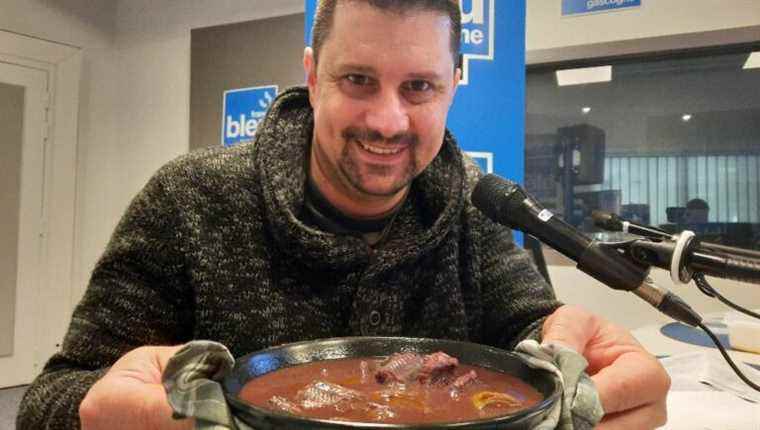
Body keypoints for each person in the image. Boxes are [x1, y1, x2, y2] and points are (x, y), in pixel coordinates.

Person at [17, 1, 669, 429]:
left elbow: (531, 338)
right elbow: (48, 400)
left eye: (419, 87)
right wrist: (88, 412)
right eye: (358, 80)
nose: (387, 121)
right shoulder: (189, 199)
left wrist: (586, 370)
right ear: (312, 72)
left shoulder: (476, 205)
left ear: (453, 83)